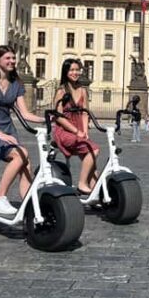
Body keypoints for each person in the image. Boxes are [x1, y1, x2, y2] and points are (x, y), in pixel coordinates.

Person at [0, 45, 45, 215]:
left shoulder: (16, 84)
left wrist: (48, 119)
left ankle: (28, 203)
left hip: (8, 132)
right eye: (8, 58)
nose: (12, 61)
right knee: (20, 154)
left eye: (13, 58)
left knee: (26, 162)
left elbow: (25, 113)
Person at [53, 58, 101, 195]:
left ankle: (95, 194)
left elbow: (85, 113)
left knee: (91, 163)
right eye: (72, 70)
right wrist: (76, 131)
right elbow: (58, 116)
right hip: (64, 131)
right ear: (66, 72)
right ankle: (82, 183)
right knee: (94, 150)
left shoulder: (83, 91)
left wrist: (85, 131)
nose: (75, 73)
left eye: (77, 70)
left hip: (79, 130)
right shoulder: (61, 91)